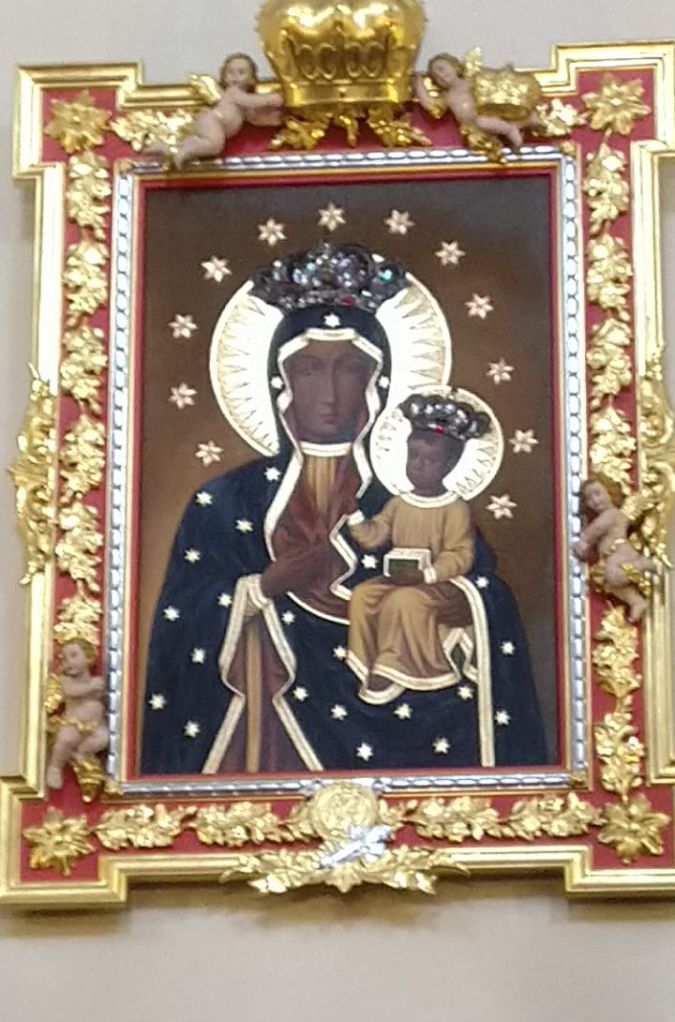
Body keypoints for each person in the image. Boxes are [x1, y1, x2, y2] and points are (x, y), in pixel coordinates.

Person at [142, 244, 547, 775]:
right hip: (265, 747)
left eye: (350, 369)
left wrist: (450, 602)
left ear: (378, 383)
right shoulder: (227, 502)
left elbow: (486, 596)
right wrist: (261, 589)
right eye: (309, 369)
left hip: (410, 741)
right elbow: (181, 629)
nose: (330, 392)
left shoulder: (413, 498)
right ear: (280, 381)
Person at [347, 393, 489, 703]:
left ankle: (398, 667)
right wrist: (354, 515)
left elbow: (460, 554)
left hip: (440, 584)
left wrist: (426, 575)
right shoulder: (399, 503)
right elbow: (374, 536)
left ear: (449, 465)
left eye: (430, 460)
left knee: (404, 601)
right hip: (400, 577)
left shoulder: (454, 508)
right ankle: (366, 664)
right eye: (413, 457)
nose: (419, 466)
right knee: (363, 595)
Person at [147, 54, 283, 169]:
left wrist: (274, 120)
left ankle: (173, 148)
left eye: (241, 72)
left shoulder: (242, 105)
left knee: (204, 142)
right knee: (214, 145)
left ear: (252, 79)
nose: (235, 77)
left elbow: (254, 118)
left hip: (212, 122)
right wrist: (271, 98)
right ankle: (183, 152)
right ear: (224, 77)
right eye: (230, 73)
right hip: (213, 120)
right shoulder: (234, 92)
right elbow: (252, 101)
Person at [574, 477, 657, 622]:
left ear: (610, 492)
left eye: (597, 493)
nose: (594, 500)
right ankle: (636, 601)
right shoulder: (606, 515)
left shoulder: (612, 514)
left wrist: (584, 539)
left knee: (612, 575)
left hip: (620, 552)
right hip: (610, 557)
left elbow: (597, 529)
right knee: (609, 584)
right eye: (589, 498)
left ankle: (642, 564)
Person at [46, 639, 109, 789]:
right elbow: (71, 692)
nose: (68, 662)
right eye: (64, 658)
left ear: (88, 657)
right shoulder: (67, 681)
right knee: (65, 740)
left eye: (74, 655)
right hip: (73, 723)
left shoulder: (97, 681)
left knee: (103, 740)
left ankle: (79, 752)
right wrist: (90, 688)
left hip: (95, 725)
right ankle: (55, 767)